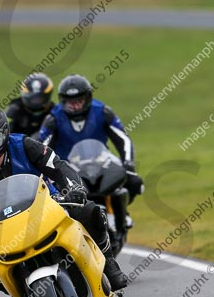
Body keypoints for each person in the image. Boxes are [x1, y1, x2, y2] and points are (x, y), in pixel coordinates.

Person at [0, 105, 129, 294]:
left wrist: (73, 188)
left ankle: (109, 264)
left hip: (49, 207)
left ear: (2, 136)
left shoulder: (25, 145)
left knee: (91, 212)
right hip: (2, 227)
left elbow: (59, 167)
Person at [38, 74, 144, 205]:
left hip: (101, 161)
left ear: (87, 98)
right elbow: (43, 149)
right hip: (69, 167)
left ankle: (122, 216)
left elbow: (123, 139)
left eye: (79, 101)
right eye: (70, 103)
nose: (75, 106)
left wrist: (129, 166)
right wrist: (48, 176)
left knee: (134, 183)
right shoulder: (53, 119)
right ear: (62, 100)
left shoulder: (102, 112)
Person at [5, 73, 54, 138]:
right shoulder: (15, 109)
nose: (36, 102)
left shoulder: (54, 112)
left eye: (39, 98)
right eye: (33, 98)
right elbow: (5, 135)